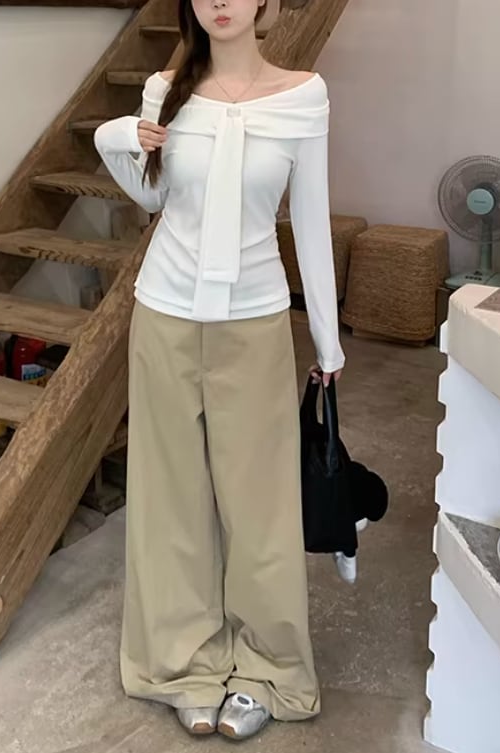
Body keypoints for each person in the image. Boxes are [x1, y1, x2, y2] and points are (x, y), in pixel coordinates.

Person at [94, 0, 345, 741]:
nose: (222, 2)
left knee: (260, 506)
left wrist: (327, 342)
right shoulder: (163, 91)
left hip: (254, 321)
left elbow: (311, 220)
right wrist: (116, 138)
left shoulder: (303, 96)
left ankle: (270, 668)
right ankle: (182, 665)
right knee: (169, 499)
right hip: (163, 315)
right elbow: (153, 197)